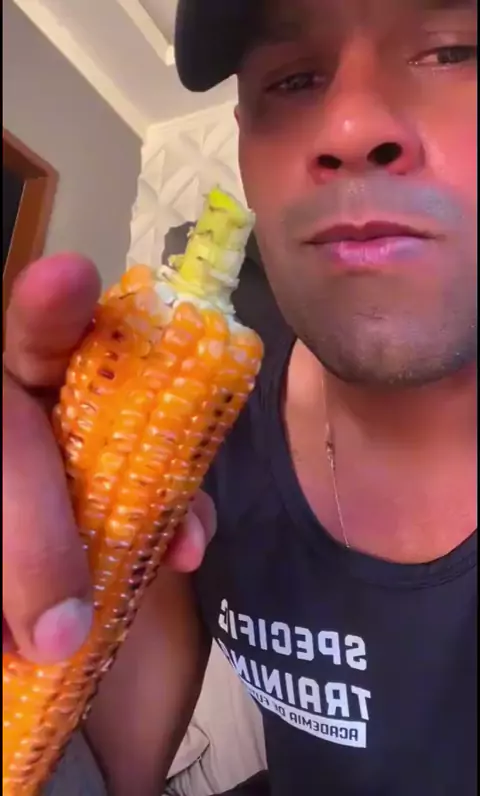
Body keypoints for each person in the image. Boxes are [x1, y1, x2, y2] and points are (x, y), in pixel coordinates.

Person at [3, 0, 477, 794]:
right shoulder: (202, 452)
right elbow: (108, 768)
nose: (348, 126)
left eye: (455, 50)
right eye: (292, 80)